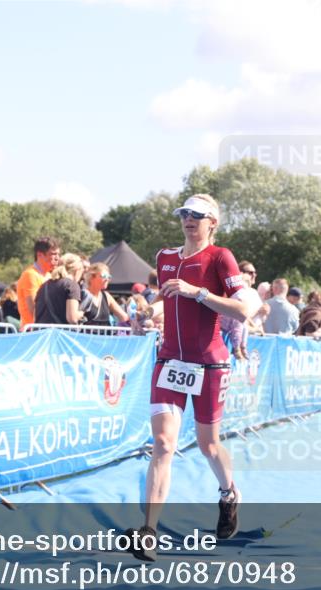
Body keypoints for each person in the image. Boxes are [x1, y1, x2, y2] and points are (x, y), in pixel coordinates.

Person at [128, 194, 259, 561]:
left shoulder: (220, 257)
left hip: (209, 364)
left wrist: (198, 292)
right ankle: (149, 532)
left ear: (212, 223)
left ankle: (228, 492)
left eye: (197, 215)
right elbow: (167, 299)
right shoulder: (165, 257)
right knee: (163, 444)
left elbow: (243, 310)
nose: (189, 219)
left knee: (208, 445)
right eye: (185, 213)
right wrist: (149, 312)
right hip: (170, 360)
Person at [16, 237, 61, 330]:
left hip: (45, 330)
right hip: (32, 331)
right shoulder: (30, 275)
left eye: (58, 254)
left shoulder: (49, 275)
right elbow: (33, 309)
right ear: (39, 255)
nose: (57, 258)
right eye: (53, 254)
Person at [34, 253, 87, 325]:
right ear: (77, 270)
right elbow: (72, 318)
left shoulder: (44, 285)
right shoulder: (72, 285)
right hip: (60, 331)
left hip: (41, 331)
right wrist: (81, 314)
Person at [78, 262, 129, 326]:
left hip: (105, 332)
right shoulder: (83, 294)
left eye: (109, 277)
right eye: (104, 276)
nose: (107, 279)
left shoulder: (106, 296)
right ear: (92, 277)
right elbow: (77, 318)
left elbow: (124, 317)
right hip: (87, 332)